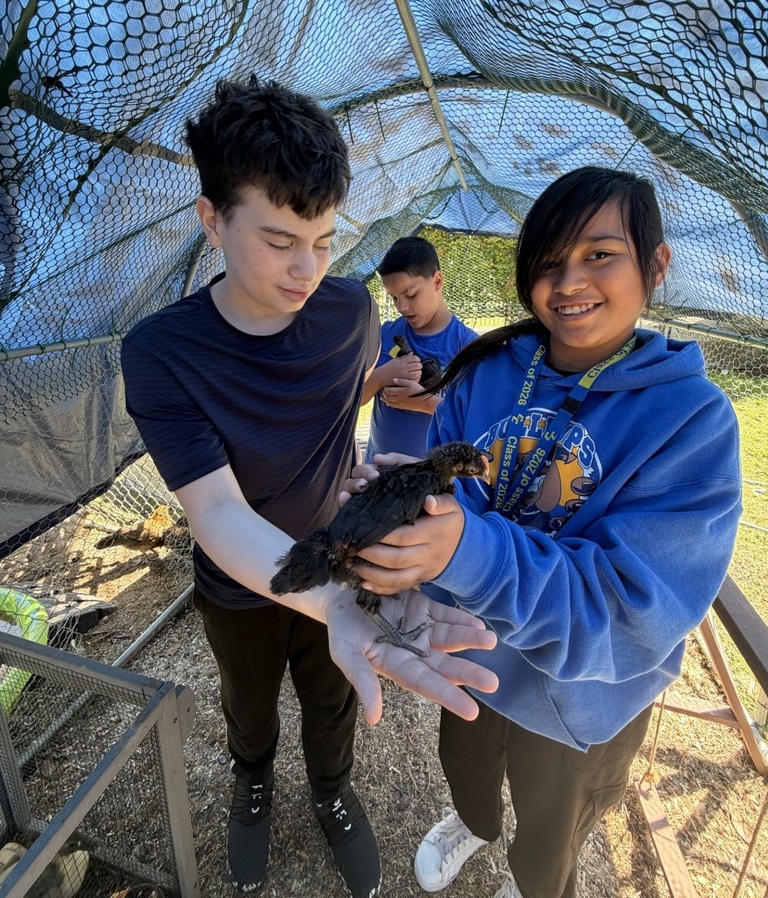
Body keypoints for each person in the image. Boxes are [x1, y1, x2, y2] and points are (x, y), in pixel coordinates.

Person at [119, 77, 498, 898]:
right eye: (281, 239)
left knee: (334, 705)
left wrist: (353, 486)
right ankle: (252, 785)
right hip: (244, 583)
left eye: (324, 241)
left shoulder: (349, 312)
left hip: (347, 564)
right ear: (212, 219)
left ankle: (332, 792)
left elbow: (333, 422)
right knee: (247, 708)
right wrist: (324, 599)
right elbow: (215, 506)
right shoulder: (161, 353)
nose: (306, 269)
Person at [341, 166, 742, 898]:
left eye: (599, 254)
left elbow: (627, 607)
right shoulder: (487, 369)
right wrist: (408, 502)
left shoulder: (693, 421)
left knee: (553, 827)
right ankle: (473, 824)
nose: (569, 282)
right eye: (549, 263)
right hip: (471, 648)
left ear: (655, 265)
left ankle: (531, 885)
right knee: (466, 770)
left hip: (582, 695)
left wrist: (470, 548)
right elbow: (453, 491)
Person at [361, 236, 476, 460]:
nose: (402, 307)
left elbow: (473, 417)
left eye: (411, 295)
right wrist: (382, 376)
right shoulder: (385, 335)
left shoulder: (467, 346)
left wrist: (423, 402)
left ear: (437, 281)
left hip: (430, 478)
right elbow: (354, 399)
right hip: (378, 469)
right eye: (394, 298)